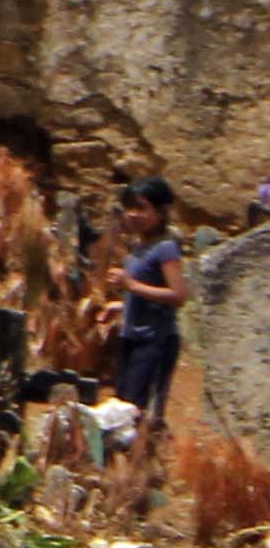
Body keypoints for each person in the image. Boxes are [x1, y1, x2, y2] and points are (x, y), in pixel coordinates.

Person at [115, 177, 189, 438]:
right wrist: (118, 306)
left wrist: (131, 285)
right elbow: (143, 292)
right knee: (122, 406)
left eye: (141, 208)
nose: (132, 214)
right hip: (132, 336)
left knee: (136, 411)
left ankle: (144, 466)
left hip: (154, 339)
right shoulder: (139, 247)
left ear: (160, 212)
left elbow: (178, 295)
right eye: (129, 208)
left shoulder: (165, 248)